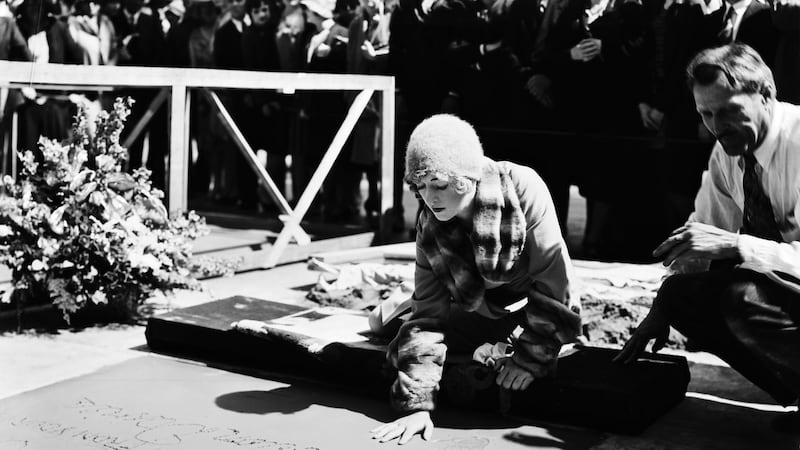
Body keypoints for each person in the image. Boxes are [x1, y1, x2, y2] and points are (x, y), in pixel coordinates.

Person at [616, 43, 800, 433]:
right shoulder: (727, 151)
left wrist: (736, 245)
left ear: (766, 95)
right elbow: (700, 231)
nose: (716, 126)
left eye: (729, 111)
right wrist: (662, 307)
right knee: (683, 296)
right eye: (706, 114)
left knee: (740, 296)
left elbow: (729, 243)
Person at [370, 114, 582, 444]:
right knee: (379, 325)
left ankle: (514, 335)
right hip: (474, 305)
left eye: (439, 186)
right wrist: (417, 404)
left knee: (544, 344)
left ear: (467, 178)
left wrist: (530, 357)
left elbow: (555, 281)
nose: (430, 198)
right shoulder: (429, 223)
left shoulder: (523, 188)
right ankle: (399, 298)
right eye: (420, 187)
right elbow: (428, 318)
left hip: (524, 304)